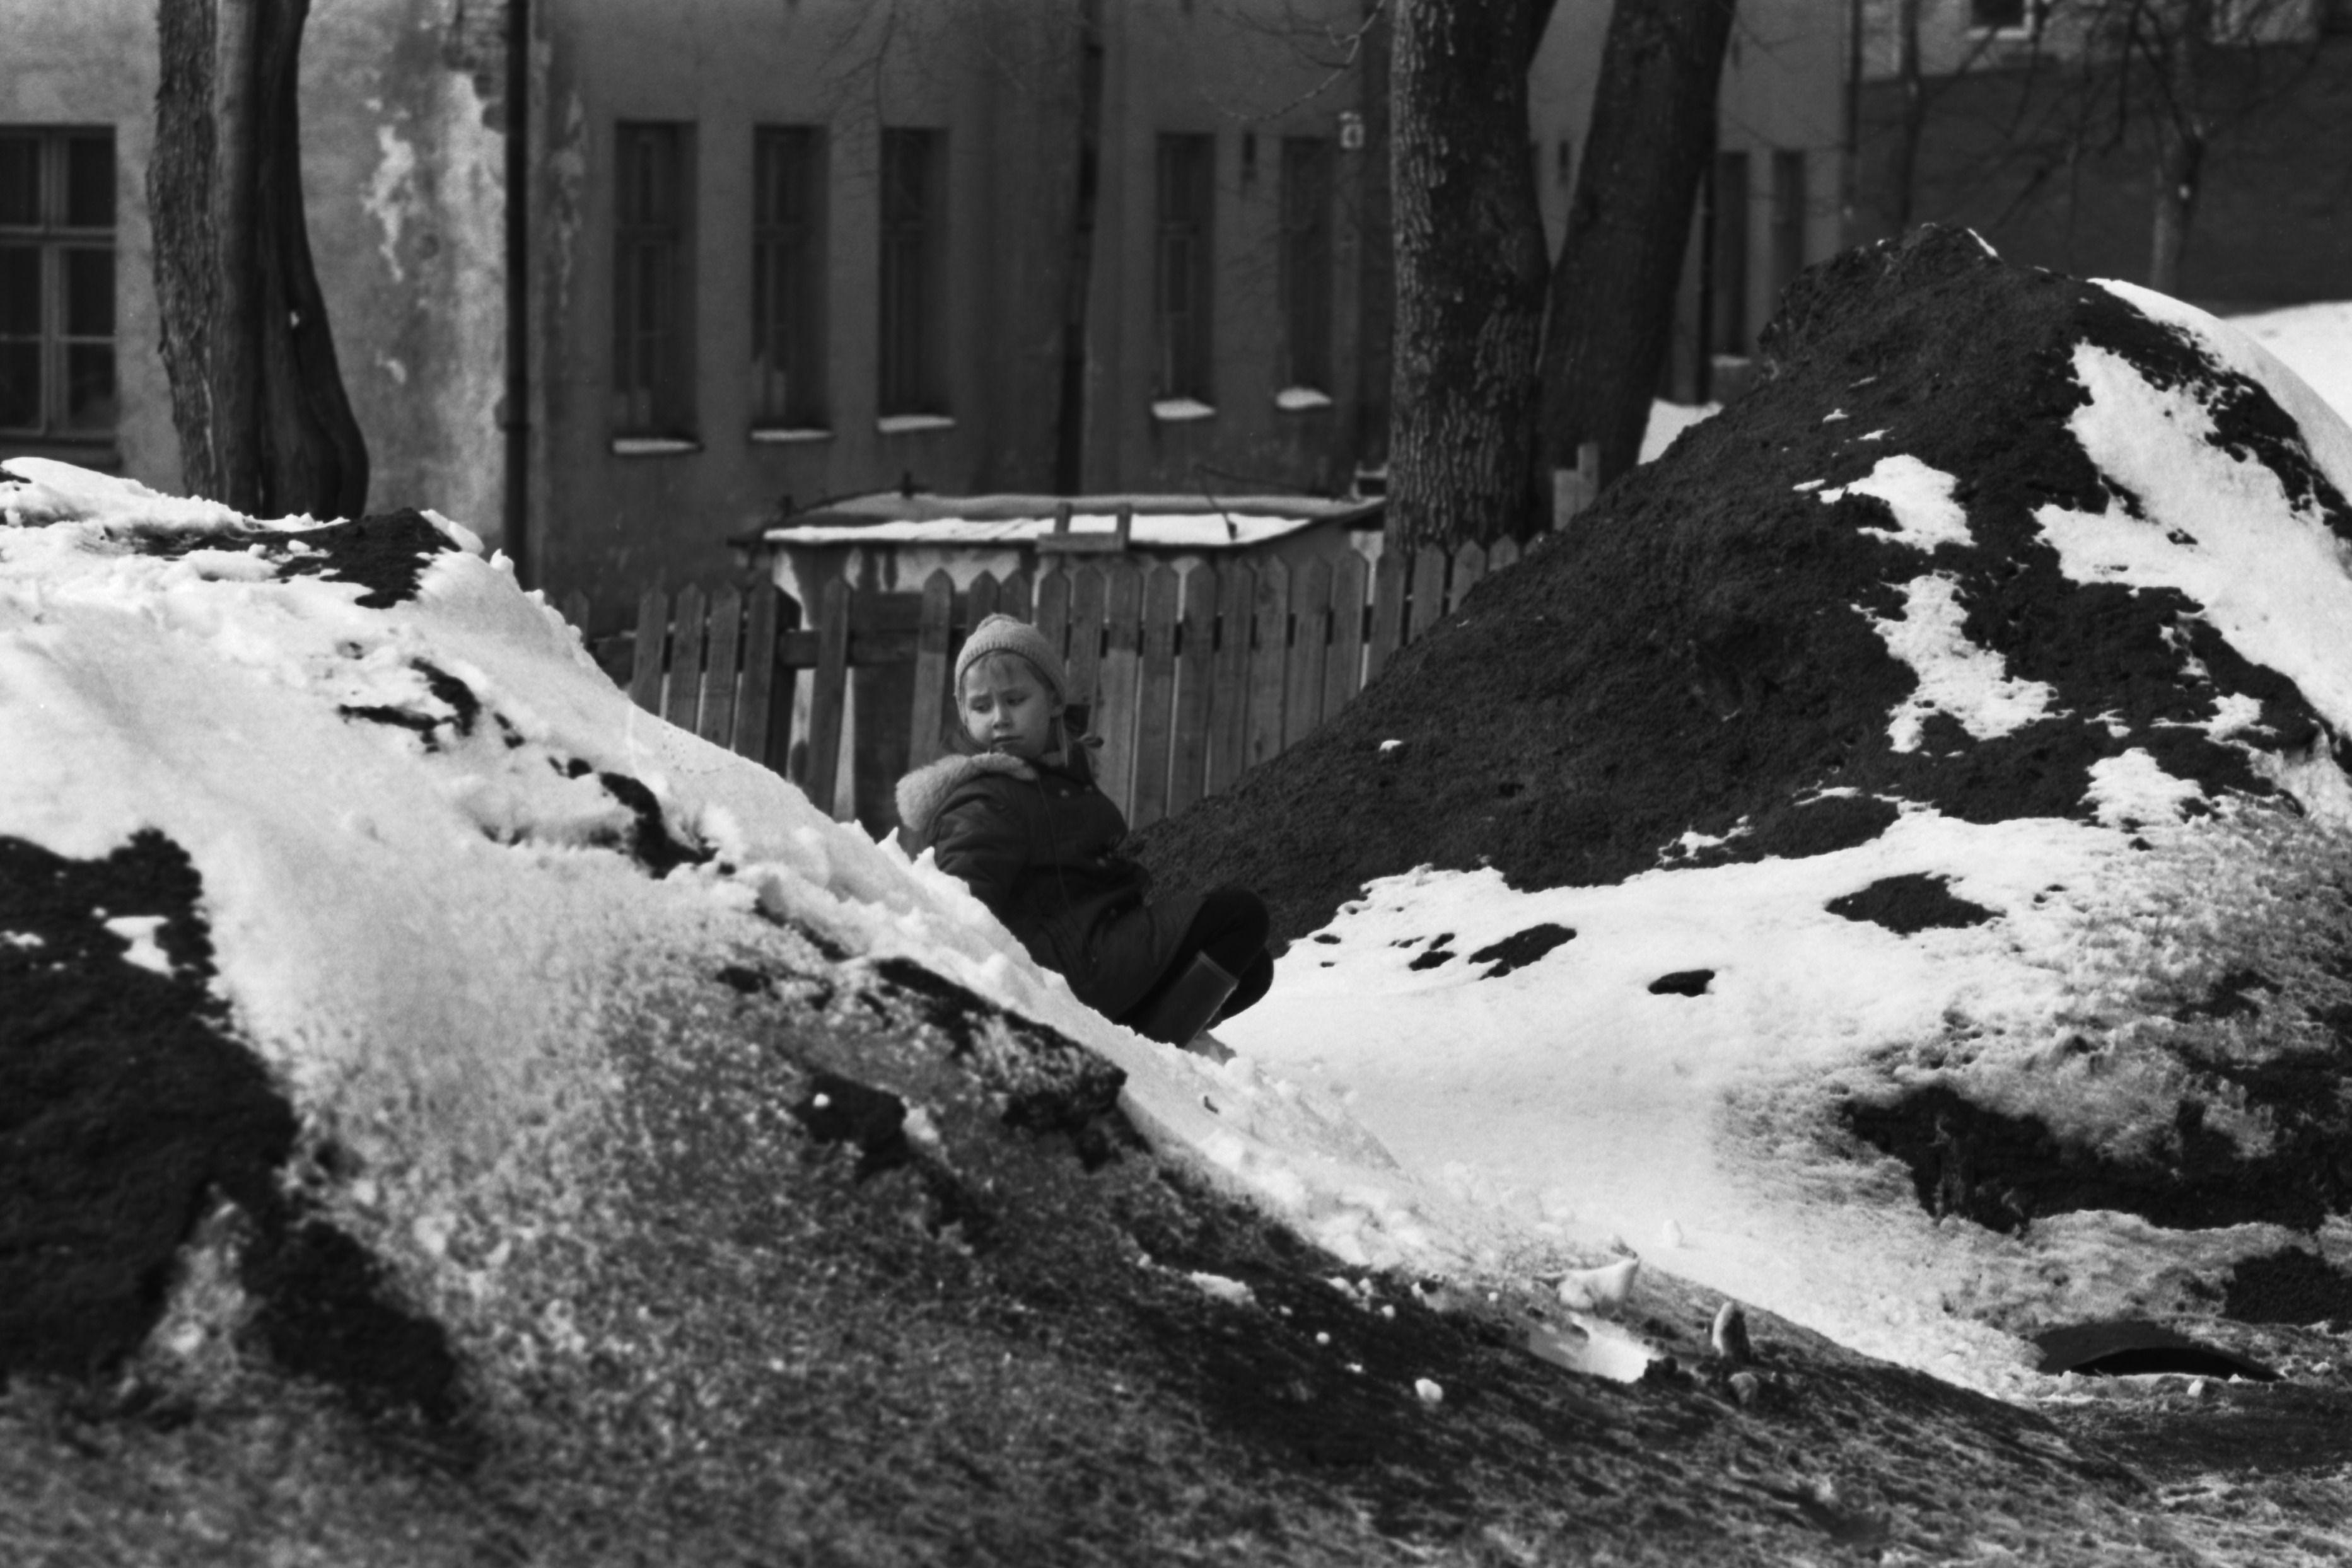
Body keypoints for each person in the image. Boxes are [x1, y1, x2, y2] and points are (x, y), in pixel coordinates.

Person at [894, 613, 1272, 1054]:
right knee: (1241, 917)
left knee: (1253, 968)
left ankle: (1151, 1021)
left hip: (1098, 945)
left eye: (1015, 700)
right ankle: (1148, 1049)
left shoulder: (1053, 775)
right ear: (964, 714)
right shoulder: (987, 797)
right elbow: (958, 902)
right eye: (982, 707)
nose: (999, 719)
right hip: (1070, 973)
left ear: (1053, 700)